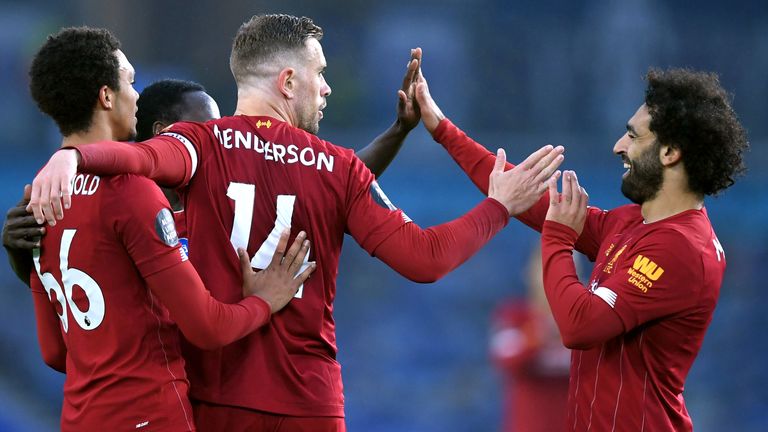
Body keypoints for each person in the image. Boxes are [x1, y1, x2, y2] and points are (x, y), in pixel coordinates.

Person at [26, 14, 564, 431]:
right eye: (321, 74)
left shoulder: (200, 146)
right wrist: (499, 206)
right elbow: (425, 259)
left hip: (216, 401)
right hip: (308, 403)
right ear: (288, 80)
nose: (326, 88)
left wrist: (73, 157)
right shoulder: (337, 167)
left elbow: (140, 160)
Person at [413, 67, 747, 430]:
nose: (619, 146)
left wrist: (557, 236)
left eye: (634, 137)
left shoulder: (681, 248)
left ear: (669, 153)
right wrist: (443, 130)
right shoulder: (637, 223)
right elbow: (525, 197)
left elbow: (578, 326)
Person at [22, 26, 314, 431]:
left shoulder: (38, 198)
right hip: (150, 415)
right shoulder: (131, 191)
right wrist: (265, 300)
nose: (137, 94)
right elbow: (208, 327)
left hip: (80, 419)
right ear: (106, 97)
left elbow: (56, 352)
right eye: (129, 81)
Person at [489, 245, 570, 432]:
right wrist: (545, 330)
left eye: (568, 267)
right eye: (548, 265)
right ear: (529, 272)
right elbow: (507, 358)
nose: (558, 275)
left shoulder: (590, 321)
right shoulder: (514, 316)